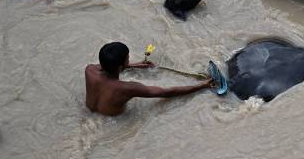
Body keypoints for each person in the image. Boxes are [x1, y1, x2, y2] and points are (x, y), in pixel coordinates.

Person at [85, 42, 226, 116]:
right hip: (114, 121)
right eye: (128, 59)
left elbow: (106, 66)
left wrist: (136, 65)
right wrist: (203, 85)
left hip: (90, 112)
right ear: (122, 64)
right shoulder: (127, 88)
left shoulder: (89, 70)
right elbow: (166, 93)